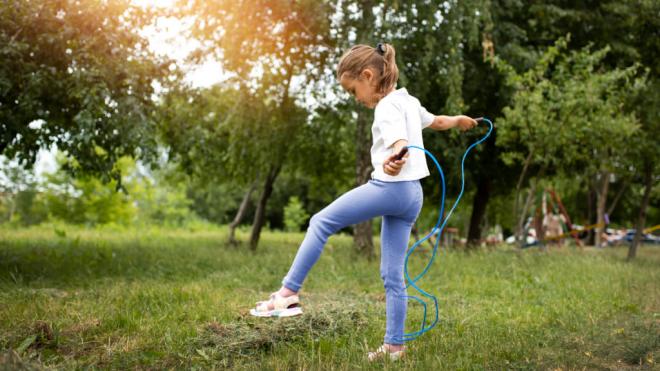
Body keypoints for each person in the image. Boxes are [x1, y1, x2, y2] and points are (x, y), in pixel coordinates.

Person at [249, 43, 478, 361]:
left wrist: (396, 157)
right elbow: (435, 121)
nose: (356, 97)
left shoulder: (386, 106)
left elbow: (398, 140)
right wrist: (458, 121)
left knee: (321, 221)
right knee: (392, 275)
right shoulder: (408, 101)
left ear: (368, 76)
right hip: (412, 195)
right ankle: (395, 347)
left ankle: (287, 294)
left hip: (391, 188)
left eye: (353, 89)